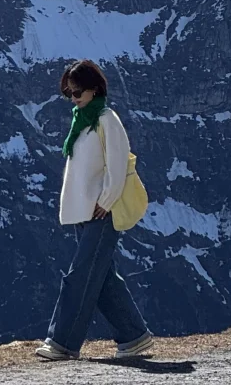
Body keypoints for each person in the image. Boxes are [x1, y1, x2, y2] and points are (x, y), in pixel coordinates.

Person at [35, 59, 153, 362]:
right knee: (102, 278)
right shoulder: (83, 120)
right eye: (68, 93)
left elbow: (118, 163)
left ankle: (62, 342)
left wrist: (108, 201)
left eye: (77, 92)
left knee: (81, 276)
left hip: (102, 211)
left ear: (94, 89)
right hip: (84, 211)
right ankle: (134, 336)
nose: (72, 98)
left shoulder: (106, 119)